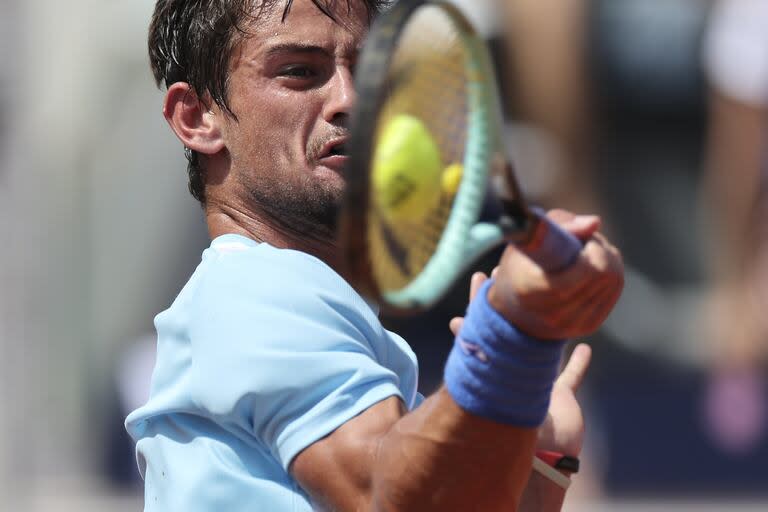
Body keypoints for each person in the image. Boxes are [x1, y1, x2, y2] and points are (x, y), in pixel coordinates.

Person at [125, 1, 624, 511]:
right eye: (299, 72)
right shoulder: (258, 292)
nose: (349, 99)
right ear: (196, 118)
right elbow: (389, 497)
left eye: (370, 71)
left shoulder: (293, 307)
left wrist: (533, 442)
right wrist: (510, 340)